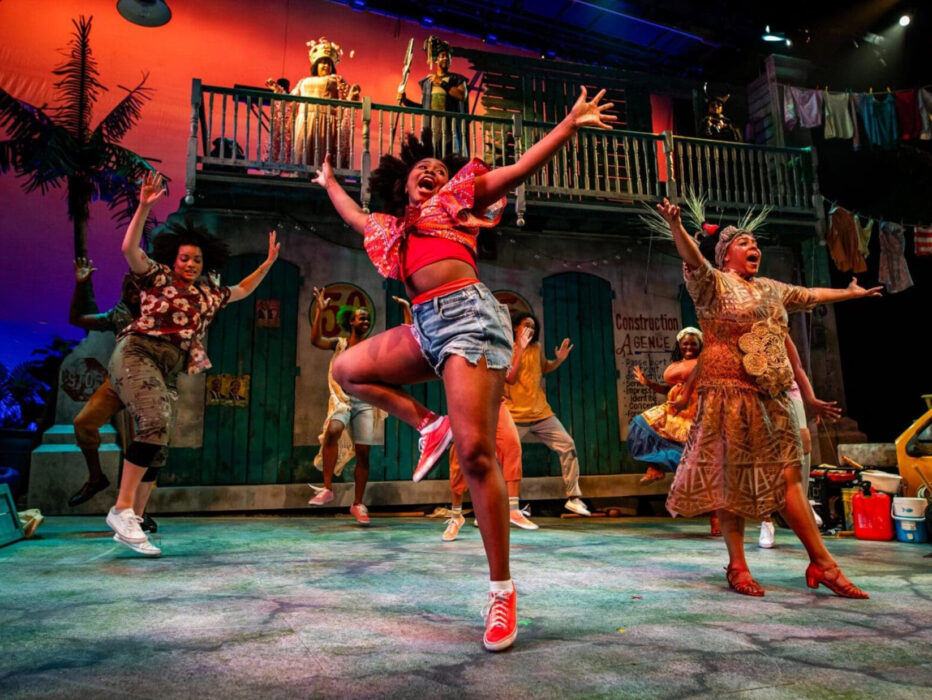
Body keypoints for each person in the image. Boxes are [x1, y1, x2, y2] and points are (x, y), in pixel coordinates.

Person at [312, 86, 615, 651]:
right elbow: (354, 215)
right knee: (349, 369)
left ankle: (501, 590)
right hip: (425, 325)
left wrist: (569, 125)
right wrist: (329, 183)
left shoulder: (458, 199)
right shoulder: (390, 226)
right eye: (420, 170)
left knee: (477, 455)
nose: (430, 172)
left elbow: (521, 168)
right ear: (403, 184)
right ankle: (429, 424)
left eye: (436, 168)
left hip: (469, 318)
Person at [657, 197, 880, 598]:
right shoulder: (714, 284)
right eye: (743, 242)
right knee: (730, 480)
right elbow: (693, 259)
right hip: (728, 394)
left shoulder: (771, 289)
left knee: (790, 477)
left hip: (771, 395)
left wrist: (850, 296)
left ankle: (822, 563)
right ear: (726, 257)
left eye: (755, 242)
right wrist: (676, 228)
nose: (753, 246)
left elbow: (809, 294)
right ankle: (738, 566)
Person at [105, 171, 280, 557]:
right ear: (174, 259)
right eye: (185, 257)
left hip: (168, 366)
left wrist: (268, 262)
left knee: (160, 441)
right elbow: (129, 249)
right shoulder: (158, 276)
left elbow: (245, 288)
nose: (190, 263)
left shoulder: (209, 295)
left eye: (196, 259)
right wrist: (144, 207)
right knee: (152, 422)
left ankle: (134, 518)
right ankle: (120, 509)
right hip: (138, 352)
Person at [68, 258, 160, 532]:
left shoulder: (160, 312)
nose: (133, 293)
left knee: (148, 445)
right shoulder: (117, 314)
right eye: (128, 288)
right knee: (83, 423)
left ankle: (140, 511)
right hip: (119, 381)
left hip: (148, 383)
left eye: (138, 288)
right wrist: (82, 285)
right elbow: (77, 319)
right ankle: (96, 477)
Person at [628, 327, 718, 535]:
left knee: (703, 467)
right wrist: (648, 383)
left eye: (693, 343)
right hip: (674, 409)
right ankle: (655, 467)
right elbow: (669, 389)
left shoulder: (705, 363)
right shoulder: (677, 364)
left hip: (694, 412)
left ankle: (716, 519)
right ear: (679, 344)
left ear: (700, 345)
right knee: (641, 425)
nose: (688, 346)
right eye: (685, 343)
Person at [308, 286, 384, 526]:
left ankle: (358, 503)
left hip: (364, 403)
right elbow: (315, 340)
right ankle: (328, 487)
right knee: (333, 430)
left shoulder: (371, 346)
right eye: (361, 318)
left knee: (363, 455)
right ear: (351, 322)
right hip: (342, 400)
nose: (365, 321)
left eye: (367, 319)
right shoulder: (340, 344)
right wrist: (321, 312)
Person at [504, 313, 591, 517]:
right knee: (505, 459)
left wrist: (558, 360)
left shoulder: (537, 347)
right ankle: (502, 508)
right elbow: (510, 377)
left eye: (533, 327)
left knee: (568, 445)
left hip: (541, 412)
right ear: (516, 328)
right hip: (515, 415)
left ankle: (573, 498)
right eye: (526, 325)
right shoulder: (507, 348)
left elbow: (543, 368)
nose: (530, 329)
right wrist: (520, 350)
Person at [759, 336, 842, 548]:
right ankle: (766, 520)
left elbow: (797, 368)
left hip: (789, 392)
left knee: (802, 442)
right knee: (765, 456)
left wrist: (811, 399)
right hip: (760, 396)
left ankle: (803, 501)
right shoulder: (742, 331)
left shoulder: (780, 332)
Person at [443, 400, 537, 541]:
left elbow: (509, 378)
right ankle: (456, 517)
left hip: (494, 400)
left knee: (512, 445)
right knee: (459, 460)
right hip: (466, 403)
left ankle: (513, 509)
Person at [291, 37, 360, 169]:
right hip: (305, 120)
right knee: (302, 151)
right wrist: (277, 90)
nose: (326, 66)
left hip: (326, 119)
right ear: (316, 65)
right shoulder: (303, 81)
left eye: (329, 64)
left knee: (323, 151)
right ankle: (301, 174)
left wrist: (353, 94)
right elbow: (291, 100)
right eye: (322, 62)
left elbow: (347, 96)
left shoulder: (336, 79)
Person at [398, 36, 469, 155]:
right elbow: (424, 108)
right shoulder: (427, 82)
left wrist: (441, 83)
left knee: (451, 161)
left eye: (448, 56)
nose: (445, 58)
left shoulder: (457, 80)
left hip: (450, 130)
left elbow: (462, 96)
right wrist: (406, 101)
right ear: (436, 59)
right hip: (432, 131)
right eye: (442, 56)